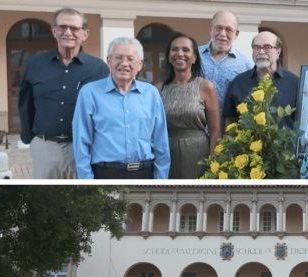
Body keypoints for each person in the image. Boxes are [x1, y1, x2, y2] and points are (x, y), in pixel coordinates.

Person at [19, 7, 109, 179]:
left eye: (75, 28)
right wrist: (30, 138)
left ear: (85, 34)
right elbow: (25, 103)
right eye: (62, 27)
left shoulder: (98, 69)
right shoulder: (36, 64)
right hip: (45, 147)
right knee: (43, 198)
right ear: (54, 31)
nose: (68, 32)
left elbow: (106, 110)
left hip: (83, 148)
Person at [72, 37, 170, 179]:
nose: (124, 63)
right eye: (118, 57)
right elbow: (81, 143)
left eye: (130, 59)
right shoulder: (89, 93)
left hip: (144, 174)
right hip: (105, 174)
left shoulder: (151, 93)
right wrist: (86, 180)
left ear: (140, 64)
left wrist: (161, 181)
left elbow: (161, 142)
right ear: (109, 61)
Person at [160, 32, 220, 179]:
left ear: (194, 58)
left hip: (199, 154)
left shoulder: (206, 87)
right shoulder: (158, 89)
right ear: (168, 56)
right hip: (167, 153)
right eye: (175, 49)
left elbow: (215, 131)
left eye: (186, 50)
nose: (180, 53)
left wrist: (212, 164)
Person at [224, 31, 299, 129]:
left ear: (278, 51)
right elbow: (230, 120)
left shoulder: (294, 83)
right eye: (257, 47)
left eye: (267, 47)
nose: (261, 51)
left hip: (285, 144)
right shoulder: (238, 83)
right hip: (246, 143)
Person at [199, 10, 253, 131]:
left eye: (229, 30)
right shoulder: (194, 56)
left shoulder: (245, 64)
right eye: (218, 28)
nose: (222, 34)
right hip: (197, 133)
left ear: (236, 34)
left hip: (229, 137)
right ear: (211, 30)